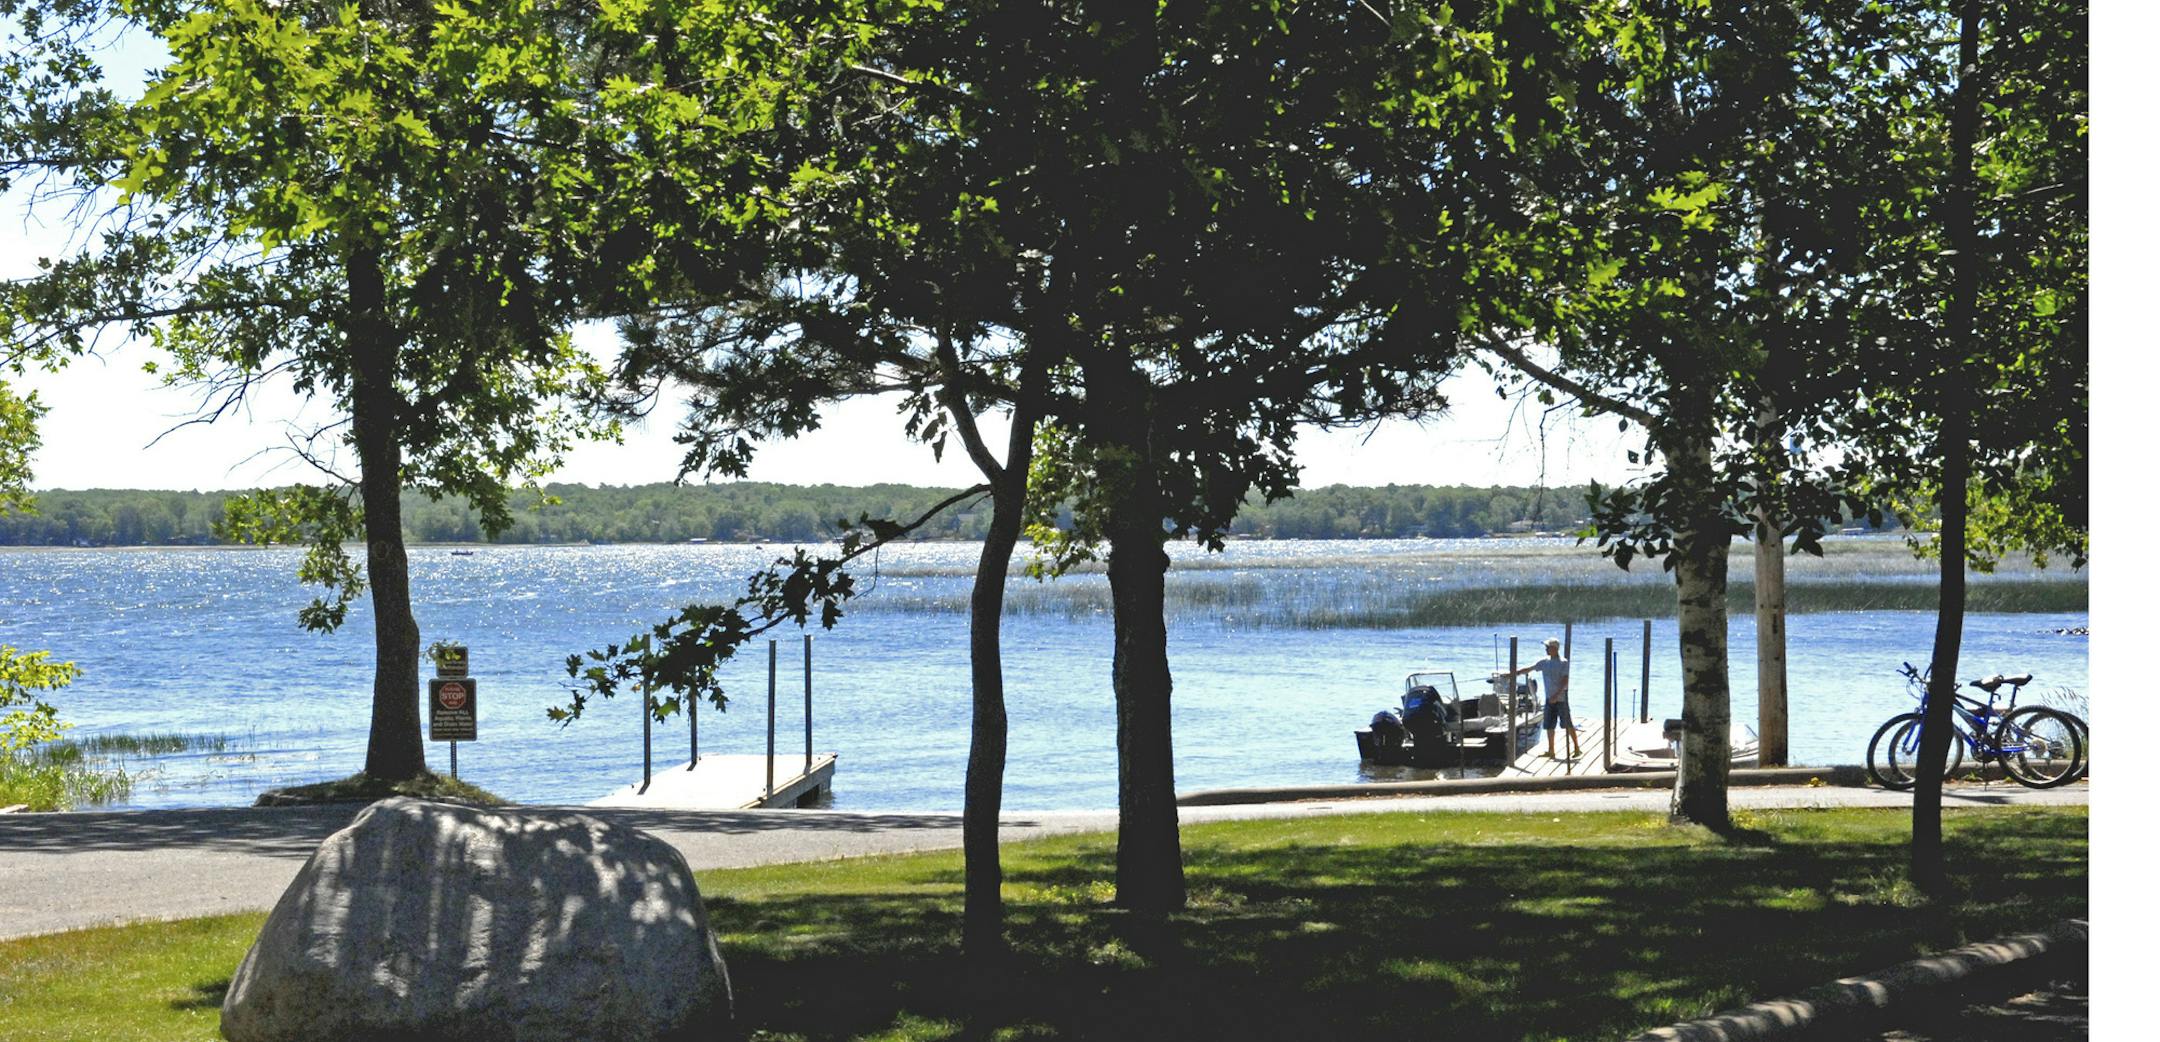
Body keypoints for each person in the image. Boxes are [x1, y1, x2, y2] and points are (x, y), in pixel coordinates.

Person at [1503, 638, 1580, 759]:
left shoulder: (1563, 662)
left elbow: (1565, 681)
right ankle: (1551, 751)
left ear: (1554, 648)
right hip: (1549, 699)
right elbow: (1529, 669)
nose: (1546, 649)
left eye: (1548, 647)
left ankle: (1577, 748)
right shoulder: (1544, 662)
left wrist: (1556, 695)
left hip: (1561, 699)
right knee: (1549, 725)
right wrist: (1512, 674)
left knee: (1567, 724)